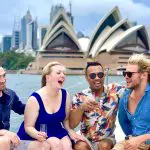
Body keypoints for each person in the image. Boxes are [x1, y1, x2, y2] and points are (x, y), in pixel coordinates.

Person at [17, 61, 84, 150]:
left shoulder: (65, 95)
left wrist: (71, 131)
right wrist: (37, 135)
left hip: (57, 131)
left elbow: (66, 120)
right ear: (48, 77)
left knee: (67, 145)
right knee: (55, 143)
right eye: (58, 73)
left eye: (64, 73)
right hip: (34, 135)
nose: (63, 75)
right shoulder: (34, 99)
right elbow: (28, 127)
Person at [69, 62, 125, 150]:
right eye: (92, 76)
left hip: (107, 138)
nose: (97, 78)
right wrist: (81, 108)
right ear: (87, 77)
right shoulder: (79, 96)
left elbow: (133, 92)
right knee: (80, 147)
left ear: (104, 75)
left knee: (103, 146)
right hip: (87, 139)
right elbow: (72, 124)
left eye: (100, 74)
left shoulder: (115, 90)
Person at [112, 54, 150, 150]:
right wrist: (133, 140)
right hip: (133, 141)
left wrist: (140, 139)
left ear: (143, 75)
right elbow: (123, 122)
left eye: (130, 74)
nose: (126, 77)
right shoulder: (125, 97)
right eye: (125, 73)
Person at [0, 66, 25, 149]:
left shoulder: (10, 94)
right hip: (3, 139)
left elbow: (21, 108)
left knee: (41, 145)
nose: (3, 80)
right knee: (4, 140)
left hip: (6, 139)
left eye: (4, 76)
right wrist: (4, 132)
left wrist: (40, 103)